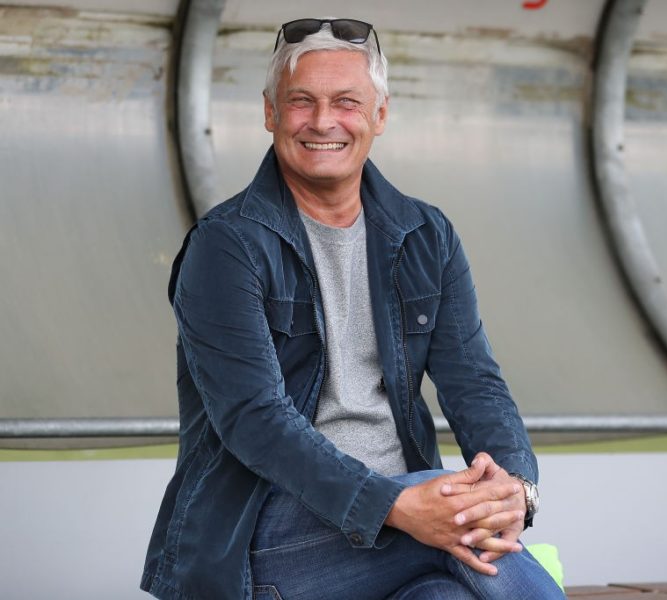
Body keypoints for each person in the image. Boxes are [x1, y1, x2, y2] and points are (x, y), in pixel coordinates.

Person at [141, 18, 562, 600]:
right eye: (301, 103)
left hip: (408, 516)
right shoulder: (226, 245)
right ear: (270, 113)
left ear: (380, 116)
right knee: (463, 522)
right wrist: (397, 505)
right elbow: (255, 419)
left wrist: (515, 487)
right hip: (264, 535)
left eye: (346, 102)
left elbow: (475, 383)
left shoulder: (426, 235)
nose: (322, 122)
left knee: (450, 594)